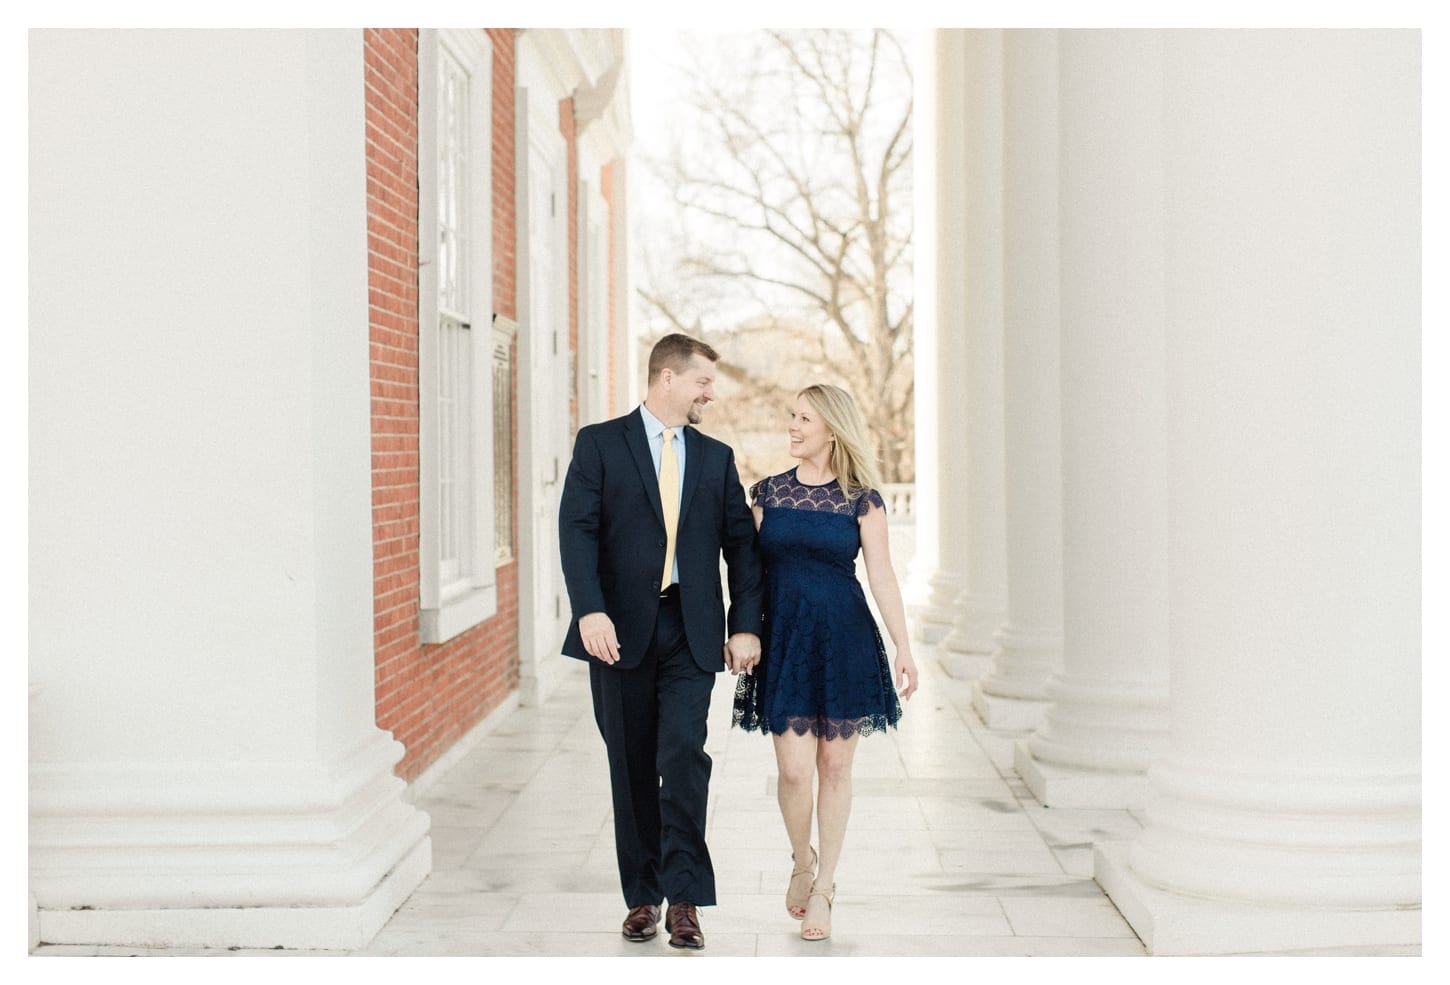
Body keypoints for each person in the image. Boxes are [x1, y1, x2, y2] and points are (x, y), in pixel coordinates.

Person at [558, 333, 764, 951]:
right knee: (630, 764)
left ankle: (685, 900)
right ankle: (642, 897)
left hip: (690, 630)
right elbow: (577, 531)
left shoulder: (716, 457)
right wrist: (590, 611)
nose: (710, 393)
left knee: (681, 756)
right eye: (703, 381)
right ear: (667, 379)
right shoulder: (600, 444)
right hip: (617, 632)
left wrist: (745, 624)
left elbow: (742, 549)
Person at [733, 383, 918, 942]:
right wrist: (743, 629)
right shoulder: (767, 493)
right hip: (784, 640)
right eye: (792, 416)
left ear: (831, 430)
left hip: (844, 640)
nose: (792, 426)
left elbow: (881, 574)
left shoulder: (863, 499)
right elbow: (748, 573)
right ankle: (801, 861)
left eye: (803, 419)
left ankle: (825, 888)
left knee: (835, 769)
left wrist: (904, 645)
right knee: (793, 771)